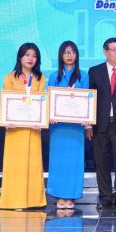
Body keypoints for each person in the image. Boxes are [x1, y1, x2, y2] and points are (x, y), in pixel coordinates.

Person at [0, 42, 47, 210]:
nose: (30, 59)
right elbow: (6, 101)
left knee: (33, 165)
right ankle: (14, 201)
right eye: (27, 55)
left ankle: (33, 200)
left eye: (34, 56)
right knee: (15, 165)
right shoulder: (10, 77)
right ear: (20, 57)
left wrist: (40, 120)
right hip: (14, 130)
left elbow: (42, 101)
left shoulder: (40, 78)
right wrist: (7, 119)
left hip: (33, 129)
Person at [87, 38, 116, 209]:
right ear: (105, 52)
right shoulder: (94, 71)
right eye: (113, 50)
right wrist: (88, 125)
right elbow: (90, 99)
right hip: (100, 124)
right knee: (102, 162)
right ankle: (105, 196)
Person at [46, 40, 90, 212]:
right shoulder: (53, 76)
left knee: (74, 163)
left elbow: (87, 100)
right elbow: (49, 100)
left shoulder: (83, 76)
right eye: (66, 52)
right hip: (58, 127)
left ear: (77, 55)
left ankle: (71, 196)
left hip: (76, 127)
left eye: (72, 52)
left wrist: (87, 123)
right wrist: (50, 115)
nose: (69, 55)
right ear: (61, 55)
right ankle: (58, 195)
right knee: (58, 162)